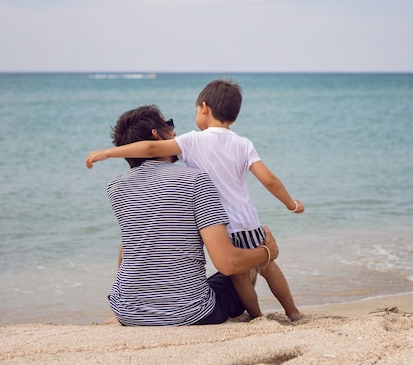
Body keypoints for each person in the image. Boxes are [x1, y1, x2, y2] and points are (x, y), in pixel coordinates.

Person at [86, 79, 304, 321]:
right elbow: (228, 262)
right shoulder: (196, 179)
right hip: (188, 311)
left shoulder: (116, 188)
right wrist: (268, 251)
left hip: (127, 310)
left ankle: (255, 315)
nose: (176, 130)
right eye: (169, 124)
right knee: (243, 270)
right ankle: (279, 314)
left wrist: (106, 153)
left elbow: (130, 246)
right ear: (158, 137)